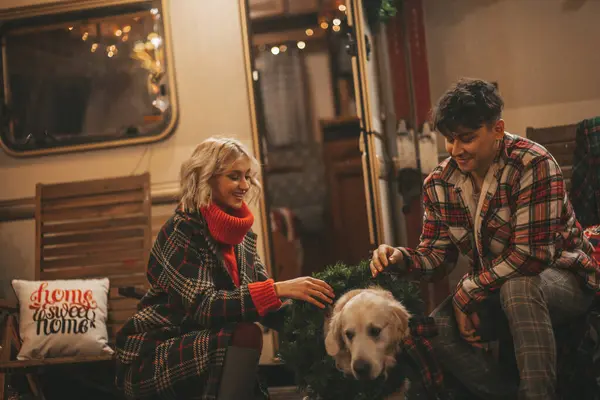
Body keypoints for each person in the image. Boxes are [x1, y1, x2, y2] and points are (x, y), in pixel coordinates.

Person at [370, 78, 600, 400]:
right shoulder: (439, 183)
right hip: (495, 284)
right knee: (436, 330)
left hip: (566, 278)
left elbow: (530, 257)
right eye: (449, 139)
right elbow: (437, 258)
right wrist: (401, 258)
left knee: (519, 286)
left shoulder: (532, 163)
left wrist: (467, 291)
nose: (455, 150)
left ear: (497, 129)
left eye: (467, 138)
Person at [115, 137, 335, 400]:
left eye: (247, 177)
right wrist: (278, 289)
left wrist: (325, 321)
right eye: (234, 177)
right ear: (206, 178)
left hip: (209, 346)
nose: (244, 185)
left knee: (249, 335)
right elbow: (205, 306)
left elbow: (268, 309)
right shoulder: (181, 230)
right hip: (154, 355)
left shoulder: (241, 238)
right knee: (246, 334)